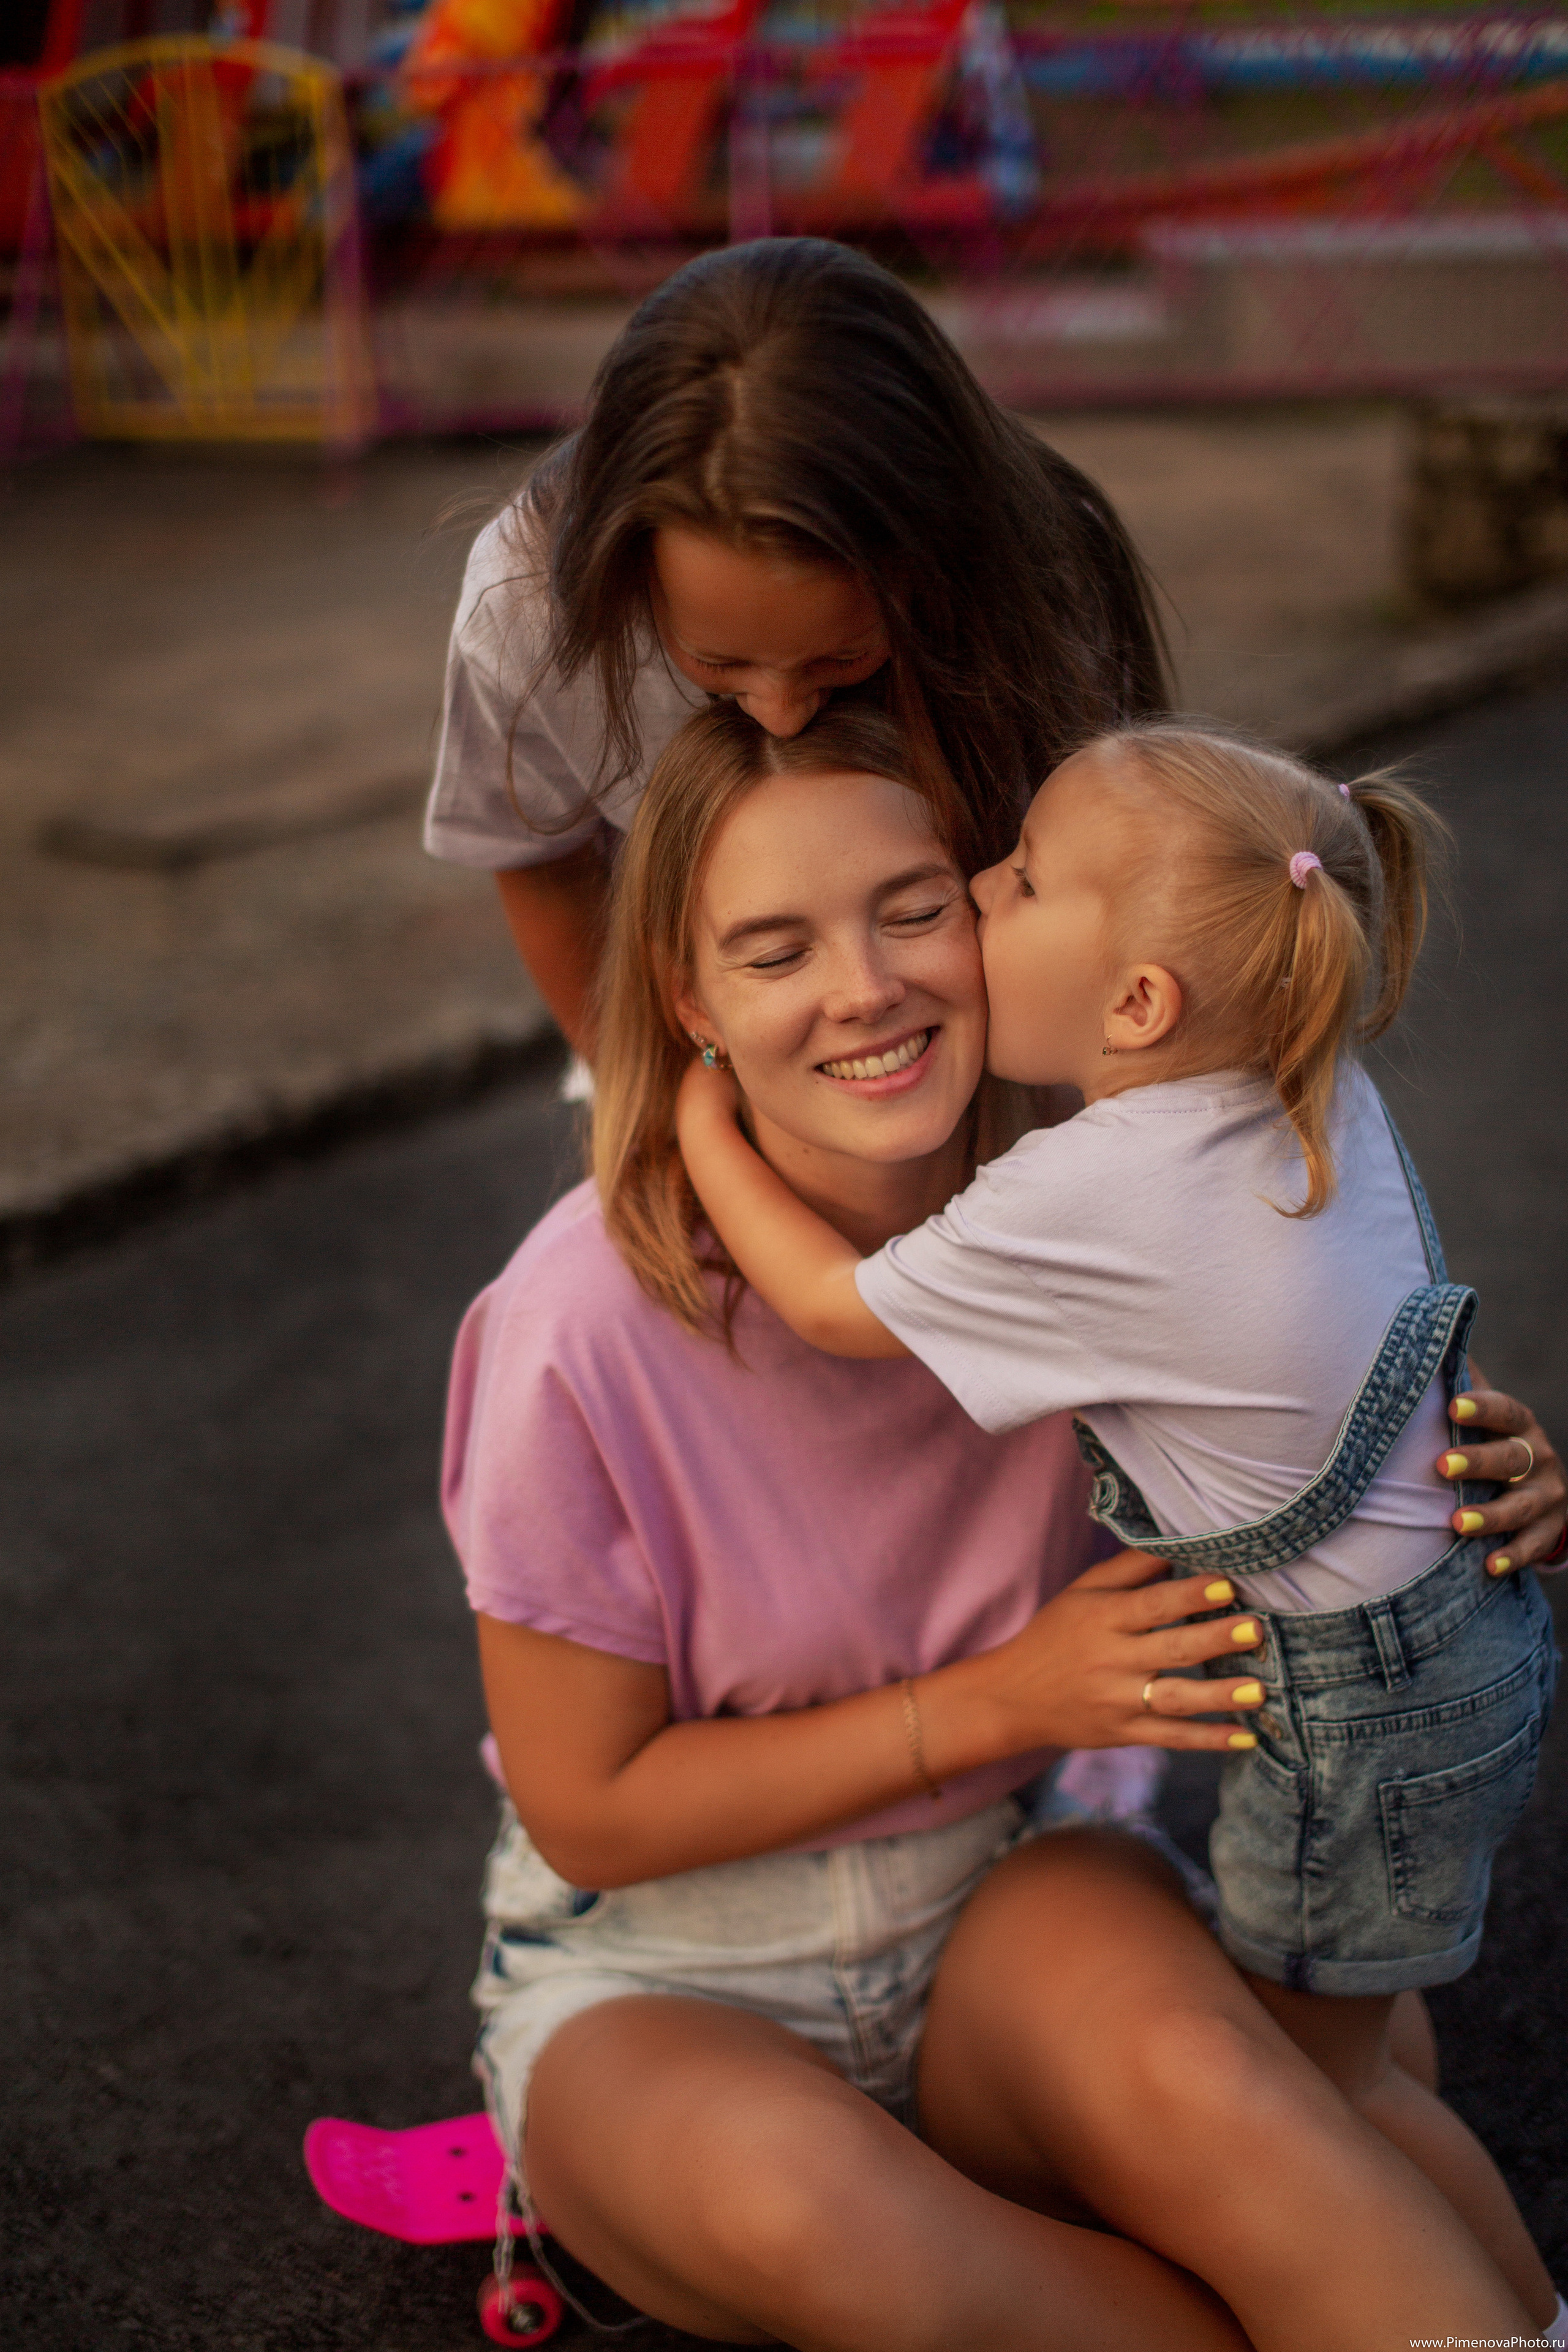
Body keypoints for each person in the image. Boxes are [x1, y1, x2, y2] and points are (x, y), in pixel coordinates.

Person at [442, 701, 1563, 2350]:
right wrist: (999, 1703)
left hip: (1001, 1889)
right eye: (772, 949)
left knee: (1251, 2099)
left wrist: (1488, 1454)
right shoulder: (573, 1324)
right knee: (827, 2219)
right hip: (661, 1977)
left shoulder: (1098, 1203)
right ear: (688, 1001)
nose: (868, 986)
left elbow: (1322, 1350)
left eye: (916, 908)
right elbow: (591, 1808)